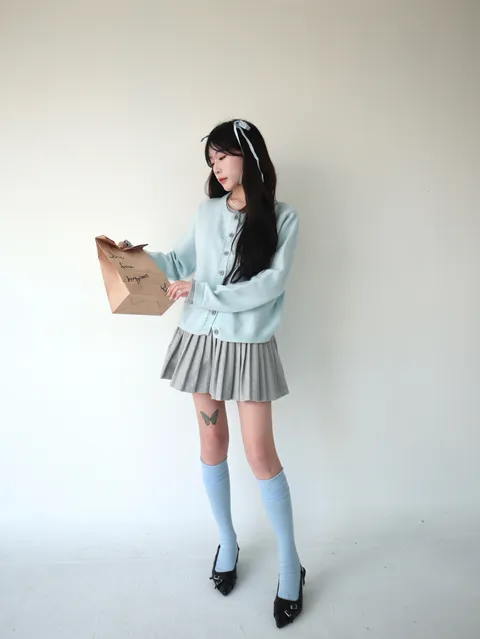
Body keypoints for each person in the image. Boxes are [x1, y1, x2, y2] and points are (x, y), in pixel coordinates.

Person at [119, 119, 305, 629]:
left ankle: (291, 563)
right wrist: (133, 258)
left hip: (249, 346)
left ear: (248, 153)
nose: (216, 167)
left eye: (223, 156)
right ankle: (227, 541)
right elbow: (178, 261)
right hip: (200, 342)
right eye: (211, 160)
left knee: (260, 453)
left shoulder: (283, 218)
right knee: (212, 443)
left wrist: (202, 291)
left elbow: (271, 284)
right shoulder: (205, 212)